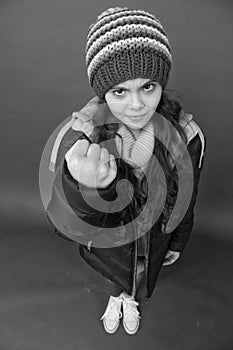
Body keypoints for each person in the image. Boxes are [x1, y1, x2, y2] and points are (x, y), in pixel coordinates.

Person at [45, 7, 206, 335]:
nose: (137, 104)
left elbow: (186, 199)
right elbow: (64, 222)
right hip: (108, 244)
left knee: (139, 272)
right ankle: (116, 295)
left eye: (148, 86)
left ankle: (130, 296)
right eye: (120, 90)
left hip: (153, 241)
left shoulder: (187, 136)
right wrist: (83, 186)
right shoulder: (82, 136)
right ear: (102, 91)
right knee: (115, 272)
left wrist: (178, 240)